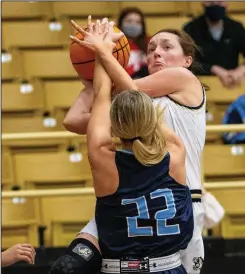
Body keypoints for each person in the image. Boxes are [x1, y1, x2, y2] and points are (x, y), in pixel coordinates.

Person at [50, 17, 194, 274]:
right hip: (170, 267)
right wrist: (104, 51)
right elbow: (134, 98)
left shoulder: (104, 157)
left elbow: (103, 94)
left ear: (113, 126)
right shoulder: (175, 151)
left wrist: (101, 52)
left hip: (122, 268)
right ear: (153, 118)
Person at [183, 1, 245, 89]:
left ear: (226, 3)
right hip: (200, 84)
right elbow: (186, 61)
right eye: (211, 2)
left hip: (232, 83)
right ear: (203, 3)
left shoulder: (236, 27)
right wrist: (213, 69)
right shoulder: (191, 28)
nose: (215, 5)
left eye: (219, 2)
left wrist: (243, 69)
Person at [117, 7, 150, 79]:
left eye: (138, 22)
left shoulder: (150, 42)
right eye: (129, 21)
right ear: (120, 24)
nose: (133, 25)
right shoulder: (113, 44)